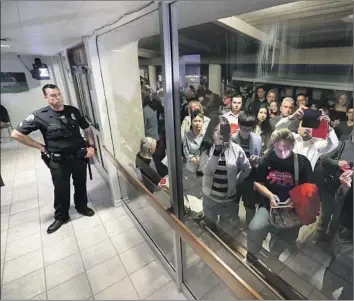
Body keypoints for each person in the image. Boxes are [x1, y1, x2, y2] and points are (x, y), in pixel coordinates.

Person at [11, 84, 95, 234]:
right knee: (61, 189)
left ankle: (82, 207)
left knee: (80, 184)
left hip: (78, 157)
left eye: (58, 94)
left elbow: (87, 128)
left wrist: (91, 146)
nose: (57, 98)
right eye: (53, 96)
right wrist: (41, 147)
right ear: (46, 98)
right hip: (59, 161)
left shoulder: (73, 111)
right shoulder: (40, 115)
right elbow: (16, 134)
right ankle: (61, 216)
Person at [246, 129, 314, 263]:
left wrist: (294, 199)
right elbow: (257, 183)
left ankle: (274, 256)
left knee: (284, 239)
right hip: (269, 206)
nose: (282, 153)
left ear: (292, 145)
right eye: (278, 150)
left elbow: (309, 189)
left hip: (292, 210)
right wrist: (270, 195)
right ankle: (252, 255)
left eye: (286, 149)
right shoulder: (268, 159)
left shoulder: (301, 162)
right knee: (255, 228)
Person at [199, 115, 252, 231]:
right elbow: (207, 172)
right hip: (210, 198)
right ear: (211, 132)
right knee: (209, 228)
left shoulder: (236, 149)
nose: (219, 134)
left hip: (229, 200)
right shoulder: (206, 148)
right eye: (216, 130)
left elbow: (247, 168)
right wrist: (216, 152)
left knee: (227, 230)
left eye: (222, 131)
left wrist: (237, 181)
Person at [231, 112, 262, 224]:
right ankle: (233, 221)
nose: (246, 131)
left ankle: (251, 224)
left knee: (250, 202)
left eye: (249, 129)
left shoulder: (257, 139)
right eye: (244, 128)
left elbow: (260, 155)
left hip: (251, 174)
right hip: (236, 174)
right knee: (234, 200)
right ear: (239, 125)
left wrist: (257, 159)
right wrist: (244, 161)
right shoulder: (232, 139)